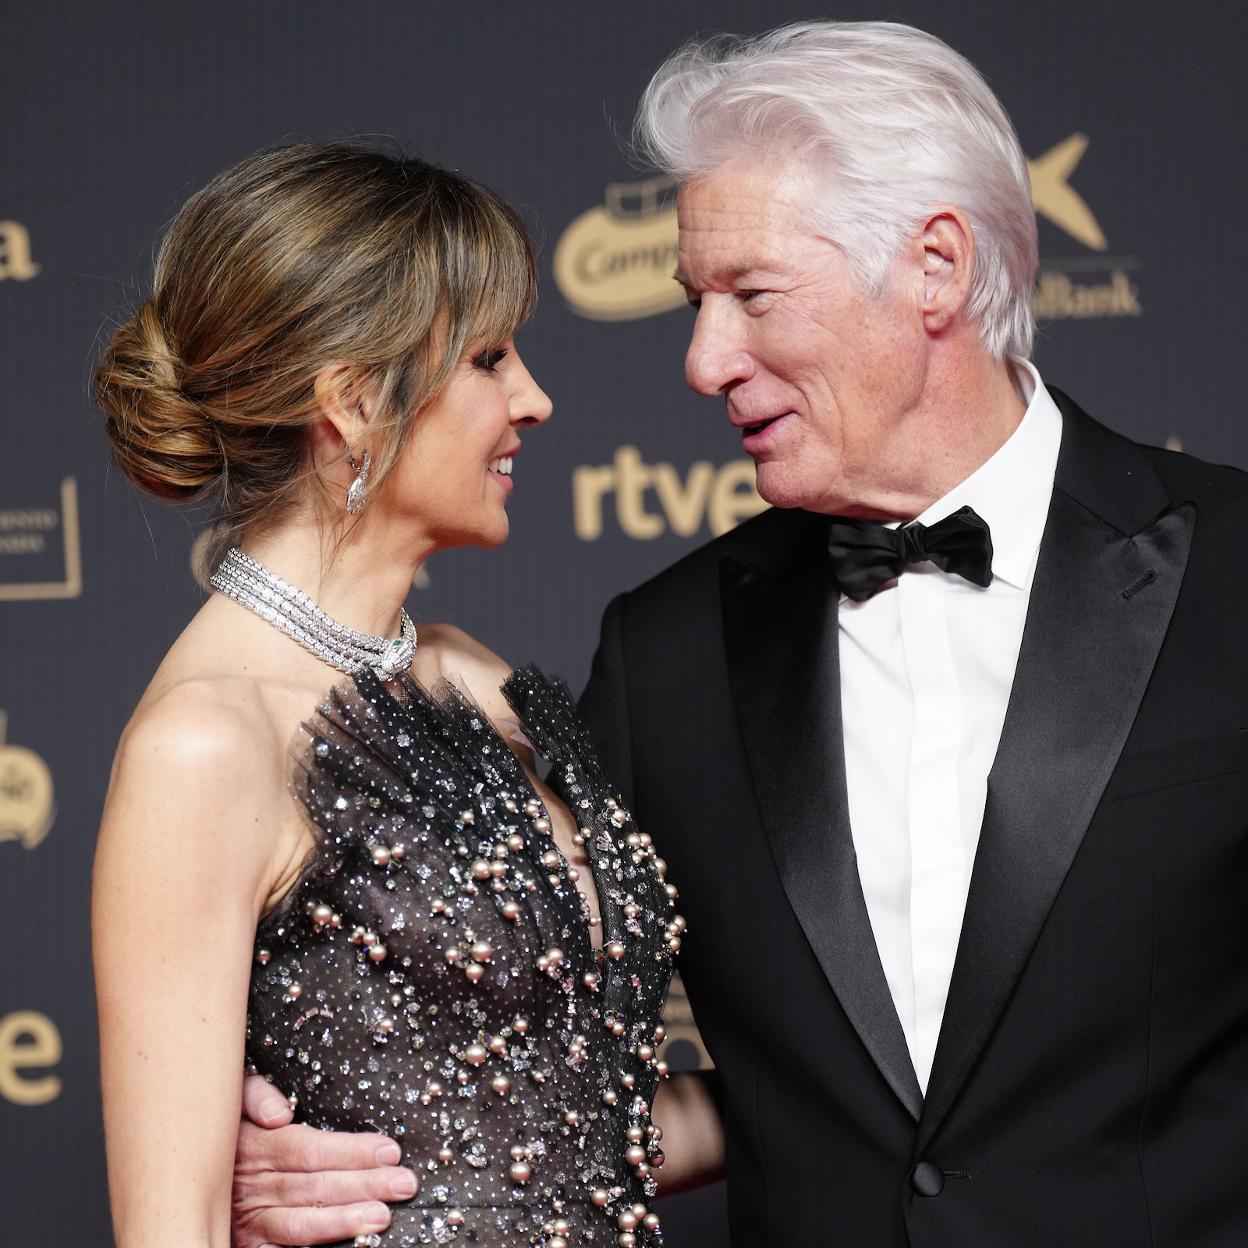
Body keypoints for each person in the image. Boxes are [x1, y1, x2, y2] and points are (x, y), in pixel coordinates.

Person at [229, 20, 1248, 1248]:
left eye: (753, 296)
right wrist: (346, 1155)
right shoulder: (668, 654)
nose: (705, 360)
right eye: (694, 302)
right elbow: (534, 1054)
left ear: (934, 266)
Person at [92, 140, 723, 1248]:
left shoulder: (478, 677)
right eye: (488, 358)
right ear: (353, 405)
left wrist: (941, 1100)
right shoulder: (206, 745)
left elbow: (586, 1138)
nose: (533, 398)